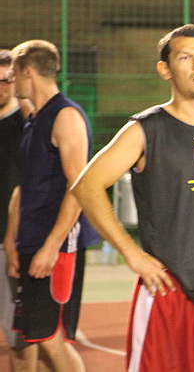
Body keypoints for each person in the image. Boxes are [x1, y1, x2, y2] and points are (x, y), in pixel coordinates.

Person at [72, 24, 194, 372]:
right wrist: (132, 254)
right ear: (165, 70)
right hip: (168, 291)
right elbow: (87, 185)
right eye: (185, 58)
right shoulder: (147, 129)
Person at [4, 40, 100, 372]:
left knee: (50, 337)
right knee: (35, 336)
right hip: (32, 242)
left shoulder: (66, 116)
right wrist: (14, 240)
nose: (11, 82)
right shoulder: (35, 119)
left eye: (13, 74)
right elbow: (26, 187)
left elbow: (78, 187)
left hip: (57, 246)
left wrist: (51, 247)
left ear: (27, 71)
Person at [0, 49, 35, 371]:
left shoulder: (26, 123)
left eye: (6, 80)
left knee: (19, 338)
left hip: (7, 241)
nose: (2, 87)